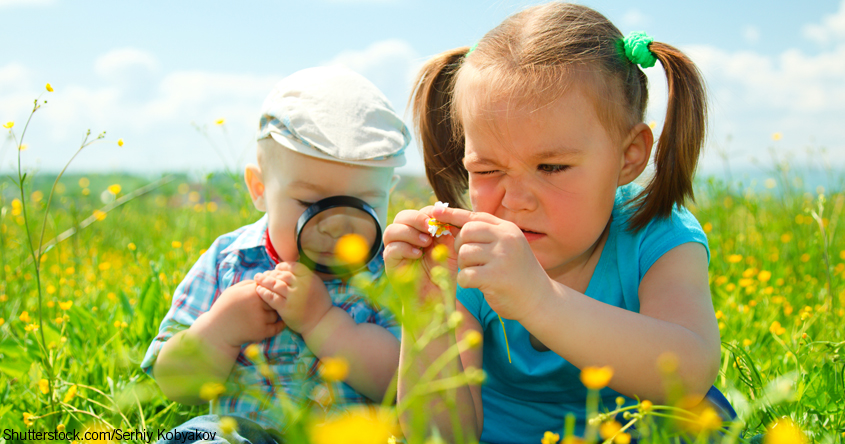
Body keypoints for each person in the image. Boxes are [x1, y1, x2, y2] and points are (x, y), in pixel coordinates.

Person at [383, 3, 736, 443]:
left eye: (551, 167)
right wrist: (424, 309)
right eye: (488, 170)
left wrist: (538, 300)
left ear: (629, 156)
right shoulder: (466, 258)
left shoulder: (657, 234)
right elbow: (438, 436)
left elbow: (691, 374)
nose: (515, 201)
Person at [142, 65, 410, 443]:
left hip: (350, 436)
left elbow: (403, 386)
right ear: (259, 188)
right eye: (310, 202)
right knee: (201, 436)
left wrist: (323, 322)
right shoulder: (230, 260)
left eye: (363, 204)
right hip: (243, 435)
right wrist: (220, 329)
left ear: (389, 192)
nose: (335, 225)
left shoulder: (391, 271)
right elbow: (174, 382)